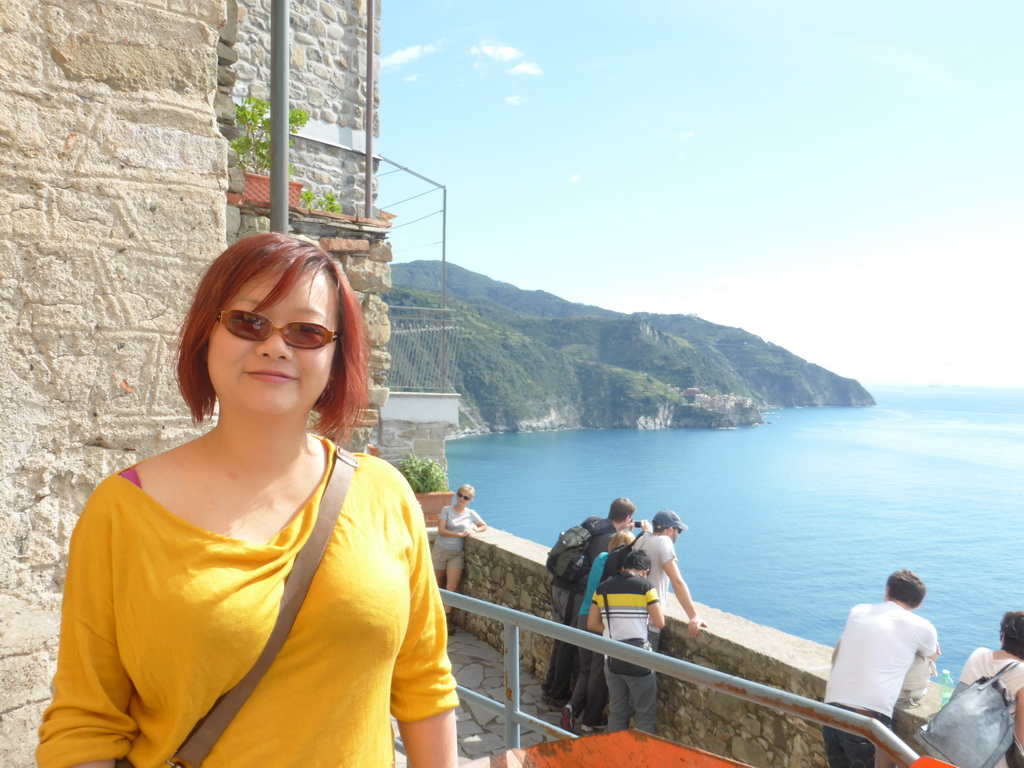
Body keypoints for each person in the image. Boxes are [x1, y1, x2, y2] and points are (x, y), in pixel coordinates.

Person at [36, 233, 459, 768]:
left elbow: (424, 684)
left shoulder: (384, 493)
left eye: (306, 331)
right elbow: (86, 722)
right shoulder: (123, 511)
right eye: (248, 321)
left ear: (336, 354)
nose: (275, 346)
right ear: (206, 335)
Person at [822, 570, 940, 768]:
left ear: (887, 591)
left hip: (830, 712)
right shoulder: (923, 627)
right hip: (867, 718)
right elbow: (932, 656)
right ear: (918, 604)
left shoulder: (858, 611)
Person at [542, 498, 636, 707]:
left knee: (560, 637)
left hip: (559, 583)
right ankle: (556, 695)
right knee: (568, 641)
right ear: (628, 518)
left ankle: (549, 687)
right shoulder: (610, 539)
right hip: (573, 592)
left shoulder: (593, 522)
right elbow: (622, 560)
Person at [562, 530, 635, 733]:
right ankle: (591, 719)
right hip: (598, 620)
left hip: (583, 617)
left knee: (586, 670)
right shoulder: (617, 565)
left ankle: (571, 707)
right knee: (598, 674)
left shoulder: (600, 558)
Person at [588, 549, 665, 734]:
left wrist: (613, 632)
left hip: (612, 658)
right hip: (639, 659)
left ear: (623, 568)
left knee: (617, 712)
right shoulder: (646, 587)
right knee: (644, 715)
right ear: (645, 571)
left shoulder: (602, 588)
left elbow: (592, 624)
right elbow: (659, 622)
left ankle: (616, 758)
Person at [956, 611, 1024, 768]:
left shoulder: (978, 654)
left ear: (1003, 637)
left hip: (954, 746)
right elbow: (1021, 738)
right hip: (991, 760)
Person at [631, 509, 706, 649]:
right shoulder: (664, 541)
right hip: (649, 624)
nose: (678, 535)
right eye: (679, 531)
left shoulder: (641, 541)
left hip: (632, 619)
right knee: (647, 669)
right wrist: (693, 616)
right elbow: (676, 582)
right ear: (670, 530)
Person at [432, 483, 487, 626]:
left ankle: (446, 620)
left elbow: (484, 525)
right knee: (436, 583)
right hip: (440, 550)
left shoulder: (471, 513)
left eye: (466, 497)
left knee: (452, 587)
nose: (462, 499)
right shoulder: (447, 510)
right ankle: (433, 616)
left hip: (456, 554)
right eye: (460, 495)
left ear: (470, 500)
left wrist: (474, 530)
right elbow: (441, 531)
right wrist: (460, 534)